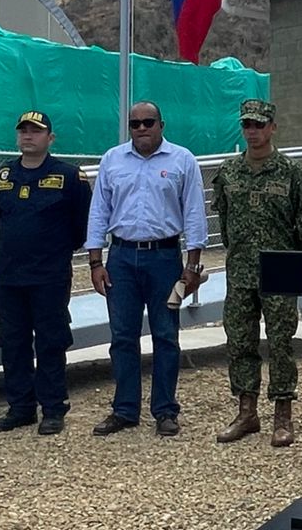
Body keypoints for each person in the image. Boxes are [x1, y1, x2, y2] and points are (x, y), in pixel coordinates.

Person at [84, 101, 209, 437]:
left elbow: (195, 214)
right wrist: (96, 261)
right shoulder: (112, 159)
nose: (141, 128)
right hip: (121, 258)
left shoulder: (182, 160)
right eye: (134, 123)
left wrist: (193, 265)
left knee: (166, 336)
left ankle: (165, 411)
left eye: (148, 122)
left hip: (164, 258)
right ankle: (125, 410)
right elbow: (99, 212)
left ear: (161, 125)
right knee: (122, 337)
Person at [212, 99, 302, 448]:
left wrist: (294, 264)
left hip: (279, 271)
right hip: (241, 270)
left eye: (259, 125)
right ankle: (247, 411)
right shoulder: (229, 172)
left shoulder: (292, 172)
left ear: (272, 127)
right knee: (240, 341)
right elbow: (225, 224)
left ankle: (283, 414)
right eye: (247, 125)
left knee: (281, 342)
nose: (253, 131)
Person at [0, 111, 92, 437]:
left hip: (49, 275)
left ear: (51, 138)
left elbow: (81, 225)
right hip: (9, 275)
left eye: (36, 131)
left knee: (50, 342)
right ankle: (20, 407)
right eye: (24, 131)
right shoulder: (2, 176)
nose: (28, 136)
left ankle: (53, 407)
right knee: (12, 342)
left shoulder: (70, 177)